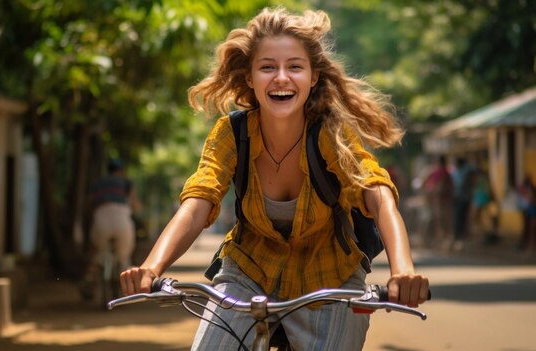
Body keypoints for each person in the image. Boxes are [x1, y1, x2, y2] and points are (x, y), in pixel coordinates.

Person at [120, 7, 429, 350]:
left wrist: (402, 270)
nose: (281, 77)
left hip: (330, 279)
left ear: (312, 77)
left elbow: (376, 194)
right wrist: (151, 267)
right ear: (250, 77)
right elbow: (197, 203)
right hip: (247, 273)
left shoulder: (329, 133)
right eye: (268, 67)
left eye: (294, 66)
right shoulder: (232, 133)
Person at [81, 158, 140, 300]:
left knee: (99, 254)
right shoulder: (126, 184)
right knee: (123, 257)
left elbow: (89, 204)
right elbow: (135, 204)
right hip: (122, 223)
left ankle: (90, 282)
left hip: (101, 222)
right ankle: (128, 284)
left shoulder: (98, 184)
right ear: (121, 171)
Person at [422, 155, 454, 248]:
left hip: (439, 200)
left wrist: (429, 193)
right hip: (441, 200)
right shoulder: (446, 172)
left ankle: (442, 240)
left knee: (440, 220)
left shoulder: (436, 172)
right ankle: (443, 240)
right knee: (443, 220)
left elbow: (425, 183)